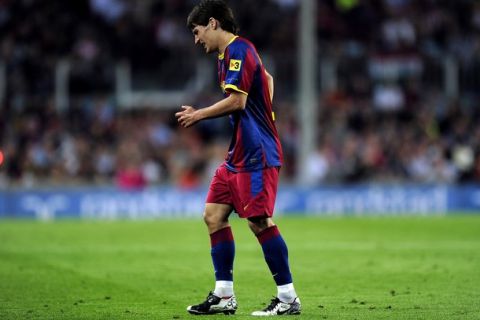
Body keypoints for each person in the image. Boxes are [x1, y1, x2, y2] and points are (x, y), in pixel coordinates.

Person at [176, 0, 301, 316]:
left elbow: (238, 102)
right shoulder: (226, 56)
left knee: (259, 221)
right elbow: (267, 79)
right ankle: (223, 295)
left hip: (257, 153)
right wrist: (267, 111)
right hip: (239, 153)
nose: (196, 39)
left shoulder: (239, 51)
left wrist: (201, 114)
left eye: (197, 31)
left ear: (213, 23)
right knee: (213, 215)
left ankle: (288, 298)